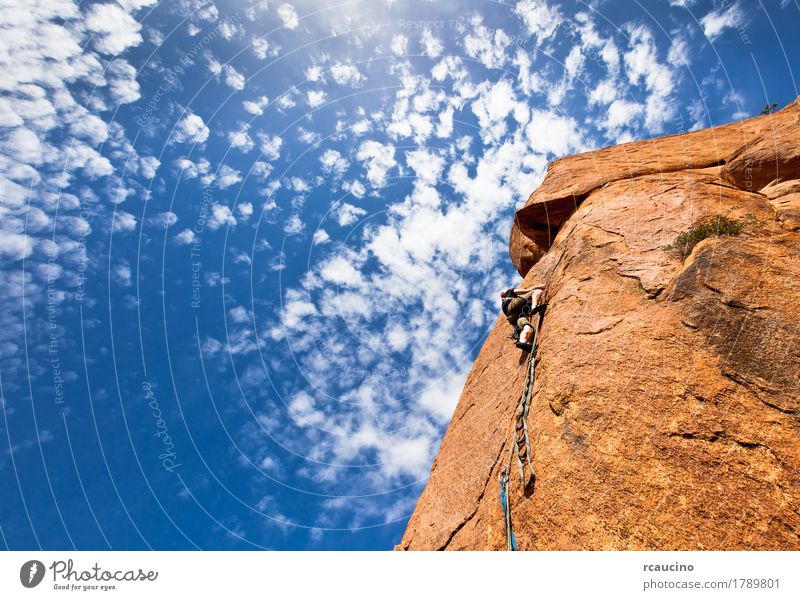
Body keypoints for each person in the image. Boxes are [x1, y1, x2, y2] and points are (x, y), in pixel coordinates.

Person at [500, 285, 547, 351]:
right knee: (536, 291)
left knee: (528, 328)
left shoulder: (503, 305)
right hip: (513, 305)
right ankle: (534, 307)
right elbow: (527, 290)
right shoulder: (509, 291)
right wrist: (543, 285)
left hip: (512, 318)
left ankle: (522, 342)